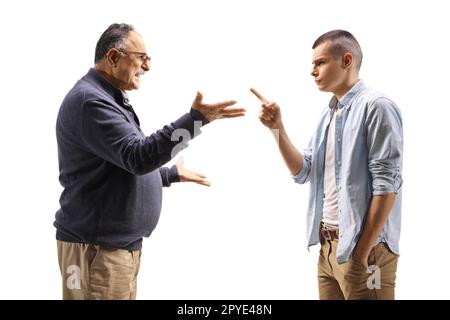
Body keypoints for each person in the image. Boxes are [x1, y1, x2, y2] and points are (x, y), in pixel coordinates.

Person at [54, 23, 245, 300]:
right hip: (95, 250)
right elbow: (138, 157)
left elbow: (119, 161)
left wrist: (168, 176)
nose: (147, 66)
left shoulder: (109, 99)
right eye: (141, 57)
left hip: (112, 250)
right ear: (113, 57)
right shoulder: (90, 102)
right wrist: (195, 121)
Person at [251, 30, 403, 300]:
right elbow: (304, 171)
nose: (312, 71)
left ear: (346, 60)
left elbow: (387, 186)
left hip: (365, 251)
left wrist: (361, 252)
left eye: (319, 63)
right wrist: (277, 129)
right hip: (327, 249)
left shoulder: (377, 106)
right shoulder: (328, 113)